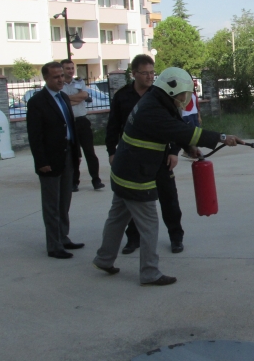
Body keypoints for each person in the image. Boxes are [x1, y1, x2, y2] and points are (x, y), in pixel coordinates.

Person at [93, 67, 244, 286]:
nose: (186, 99)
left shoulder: (156, 100)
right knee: (149, 226)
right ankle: (149, 272)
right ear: (174, 91)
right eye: (185, 94)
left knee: (117, 218)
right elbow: (183, 131)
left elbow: (176, 128)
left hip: (124, 172)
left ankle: (104, 259)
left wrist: (188, 148)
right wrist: (222, 137)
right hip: (136, 176)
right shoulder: (153, 109)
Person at [106, 55, 187, 255]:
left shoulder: (161, 95)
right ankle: (133, 239)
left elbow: (177, 126)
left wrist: (174, 151)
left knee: (169, 199)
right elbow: (113, 127)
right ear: (133, 74)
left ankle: (176, 237)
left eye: (152, 72)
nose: (150, 76)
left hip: (161, 159)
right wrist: (112, 152)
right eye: (145, 73)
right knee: (134, 201)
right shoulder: (122, 96)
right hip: (133, 160)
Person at [27, 62, 84, 259]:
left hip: (67, 154)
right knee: (51, 203)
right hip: (50, 159)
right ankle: (54, 245)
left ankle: (63, 236)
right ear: (46, 78)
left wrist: (76, 152)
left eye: (61, 75)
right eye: (55, 77)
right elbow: (35, 136)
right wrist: (41, 161)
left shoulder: (64, 98)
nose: (60, 79)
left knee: (64, 200)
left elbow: (70, 126)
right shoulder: (37, 102)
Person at [60, 59, 104, 192]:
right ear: (62, 70)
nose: (71, 70)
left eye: (72, 68)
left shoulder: (79, 82)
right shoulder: (59, 84)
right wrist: (75, 98)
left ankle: (96, 180)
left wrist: (69, 99)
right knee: (74, 154)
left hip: (82, 121)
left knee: (90, 152)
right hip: (68, 123)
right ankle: (74, 182)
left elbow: (84, 95)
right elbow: (62, 100)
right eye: (67, 68)